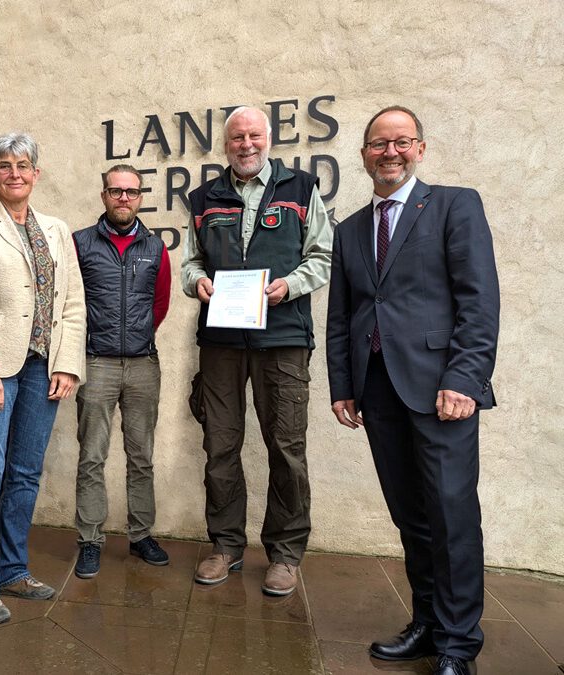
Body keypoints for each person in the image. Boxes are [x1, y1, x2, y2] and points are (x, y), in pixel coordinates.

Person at [326, 106, 499, 675]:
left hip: (442, 391)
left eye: (401, 142)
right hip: (377, 393)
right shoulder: (350, 229)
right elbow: (342, 315)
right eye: (379, 144)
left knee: (451, 516)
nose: (390, 153)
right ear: (364, 155)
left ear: (420, 149)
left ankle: (456, 643)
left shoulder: (455, 204)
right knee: (411, 516)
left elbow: (478, 300)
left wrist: (464, 378)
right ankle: (426, 622)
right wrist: (344, 386)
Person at [181, 106, 332, 596]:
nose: (246, 144)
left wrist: (289, 285)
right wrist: (198, 281)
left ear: (268, 139)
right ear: (225, 146)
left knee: (286, 447)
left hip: (283, 339)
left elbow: (323, 256)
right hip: (222, 341)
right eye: (236, 138)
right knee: (220, 446)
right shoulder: (204, 198)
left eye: (253, 135)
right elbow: (190, 261)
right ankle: (225, 546)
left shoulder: (301, 189)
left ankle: (286, 554)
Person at [0, 132, 86, 624]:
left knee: (25, 473)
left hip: (42, 367)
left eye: (23, 165)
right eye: (4, 166)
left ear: (36, 173)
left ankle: (11, 569)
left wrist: (67, 363)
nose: (14, 173)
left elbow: (72, 302)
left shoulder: (56, 228)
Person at [71, 164, 171, 578]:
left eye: (131, 192)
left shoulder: (156, 247)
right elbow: (71, 303)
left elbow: (161, 302)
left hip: (144, 364)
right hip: (97, 363)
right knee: (92, 456)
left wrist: (139, 336)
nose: (124, 198)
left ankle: (140, 535)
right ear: (104, 195)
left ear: (141, 196)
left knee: (141, 455)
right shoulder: (80, 244)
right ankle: (90, 539)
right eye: (116, 191)